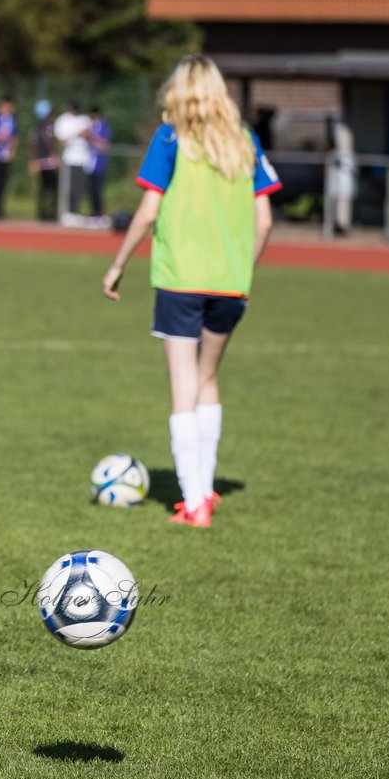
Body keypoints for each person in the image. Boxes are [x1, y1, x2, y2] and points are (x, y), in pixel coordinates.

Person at [102, 55, 281, 527]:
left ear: (178, 93)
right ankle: (205, 489)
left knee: (184, 387)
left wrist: (118, 264)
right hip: (231, 285)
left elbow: (147, 211)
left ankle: (195, 501)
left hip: (181, 279)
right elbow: (265, 219)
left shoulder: (171, 139)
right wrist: (243, 268)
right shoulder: (245, 142)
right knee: (208, 380)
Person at [54, 100, 91, 216]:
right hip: (69, 159)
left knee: (79, 187)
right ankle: (67, 211)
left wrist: (84, 133)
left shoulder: (84, 119)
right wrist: (76, 133)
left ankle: (75, 211)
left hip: (83, 159)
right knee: (68, 187)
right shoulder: (62, 121)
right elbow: (62, 141)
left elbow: (89, 135)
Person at [29, 99, 60, 222]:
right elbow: (49, 142)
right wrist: (55, 155)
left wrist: (32, 160)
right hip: (48, 161)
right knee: (51, 188)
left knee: (43, 188)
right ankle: (50, 212)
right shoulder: (48, 128)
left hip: (40, 161)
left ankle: (42, 212)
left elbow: (32, 145)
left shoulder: (36, 128)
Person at [84, 105, 111, 220]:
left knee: (98, 189)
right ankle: (93, 212)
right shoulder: (89, 125)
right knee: (90, 189)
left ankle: (100, 212)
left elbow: (105, 144)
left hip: (99, 163)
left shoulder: (103, 126)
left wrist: (92, 137)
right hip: (89, 162)